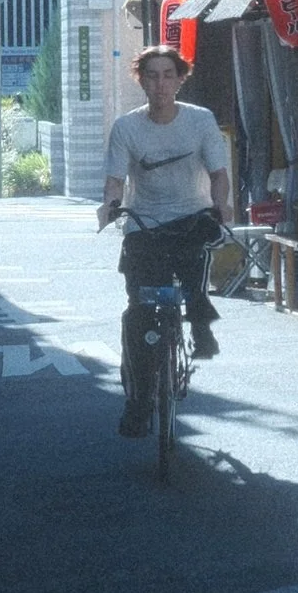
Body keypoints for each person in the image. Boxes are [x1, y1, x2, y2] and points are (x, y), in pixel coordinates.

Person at [98, 45, 230, 437]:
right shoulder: (127, 127)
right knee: (138, 313)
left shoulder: (200, 120)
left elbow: (219, 173)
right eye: (152, 75)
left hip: (191, 217)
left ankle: (201, 322)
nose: (160, 84)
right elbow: (115, 182)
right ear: (140, 79)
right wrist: (111, 207)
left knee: (194, 267)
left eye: (168, 75)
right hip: (145, 224)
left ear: (180, 79)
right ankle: (138, 401)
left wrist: (220, 206)